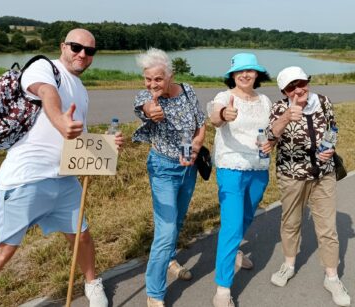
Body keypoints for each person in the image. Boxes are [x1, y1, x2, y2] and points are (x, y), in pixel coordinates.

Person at [0, 28, 124, 307]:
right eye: (76, 47)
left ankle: (92, 284)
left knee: (82, 237)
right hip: (26, 179)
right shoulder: (44, 68)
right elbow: (46, 94)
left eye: (89, 51)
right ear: (62, 46)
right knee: (1, 253)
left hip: (64, 180)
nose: (82, 55)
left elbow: (78, 137)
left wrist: (107, 145)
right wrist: (60, 121)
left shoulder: (82, 90)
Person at [268, 66, 351, 307]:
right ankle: (288, 265)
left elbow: (332, 128)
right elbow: (268, 139)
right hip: (292, 175)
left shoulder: (323, 102)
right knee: (291, 222)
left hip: (323, 174)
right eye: (291, 87)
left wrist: (330, 148)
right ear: (284, 91)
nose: (299, 90)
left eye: (302, 83)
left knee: (327, 227)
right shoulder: (279, 108)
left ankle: (332, 278)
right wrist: (286, 117)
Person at [132, 48, 206, 307]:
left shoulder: (187, 90)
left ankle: (171, 260)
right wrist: (151, 109)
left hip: (189, 166)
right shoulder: (147, 96)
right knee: (165, 230)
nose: (152, 84)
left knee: (179, 219)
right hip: (163, 168)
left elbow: (201, 124)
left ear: (170, 75)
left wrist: (196, 146)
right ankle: (155, 292)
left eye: (158, 79)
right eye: (148, 79)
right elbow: (145, 107)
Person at [207, 53, 272, 307]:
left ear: (257, 74)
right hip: (231, 167)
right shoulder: (225, 97)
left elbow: (268, 132)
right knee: (232, 225)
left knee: (246, 218)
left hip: (258, 167)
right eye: (239, 71)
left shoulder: (264, 100)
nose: (245, 75)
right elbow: (214, 117)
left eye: (250, 70)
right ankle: (223, 288)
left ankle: (233, 252)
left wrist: (270, 143)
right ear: (232, 75)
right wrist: (224, 114)